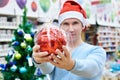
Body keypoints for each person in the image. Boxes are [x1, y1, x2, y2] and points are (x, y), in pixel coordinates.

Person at [32, 0, 106, 80]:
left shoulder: (97, 51)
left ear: (83, 26)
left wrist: (70, 65)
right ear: (60, 27)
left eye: (75, 23)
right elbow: (47, 70)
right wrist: (40, 61)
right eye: (66, 24)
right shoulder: (56, 49)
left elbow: (92, 69)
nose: (71, 29)